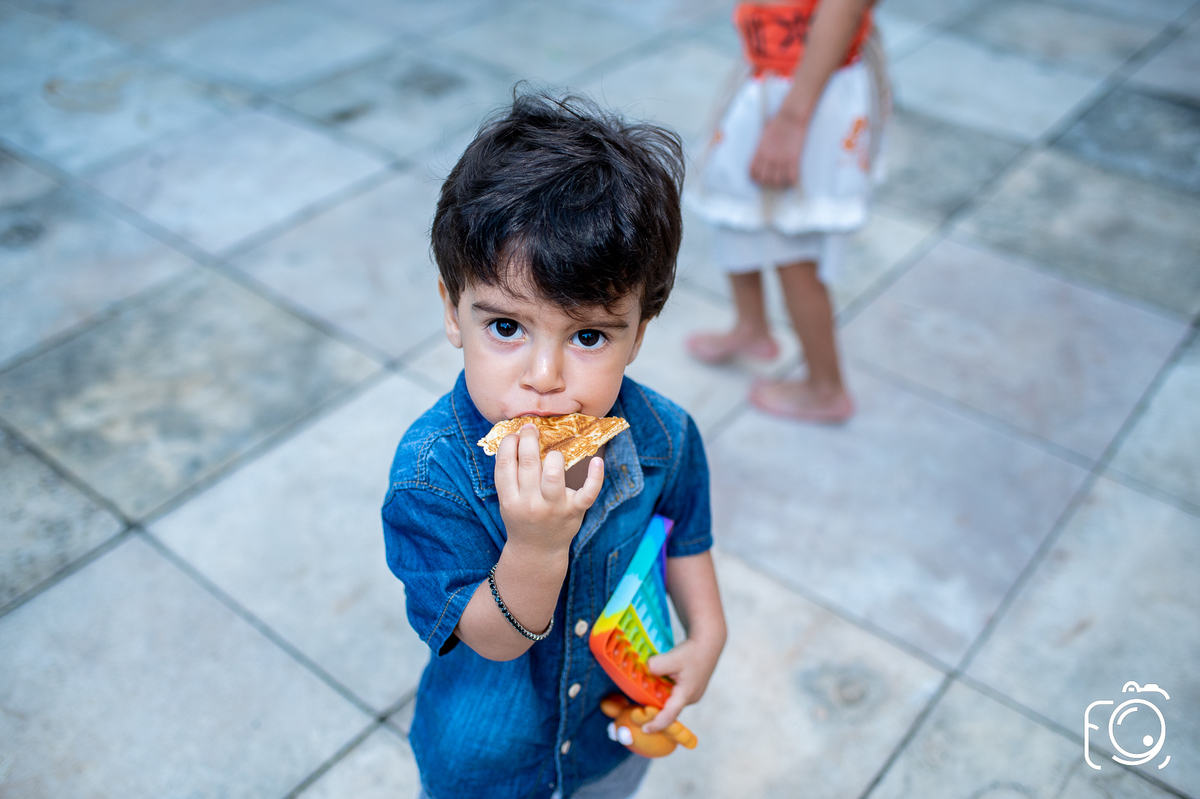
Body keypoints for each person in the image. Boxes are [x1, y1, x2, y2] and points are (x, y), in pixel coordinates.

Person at [382, 92, 727, 799]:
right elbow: (494, 636)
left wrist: (709, 632)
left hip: (608, 740)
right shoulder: (433, 474)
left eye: (589, 335)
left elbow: (684, 534)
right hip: (487, 763)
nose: (544, 379)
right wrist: (536, 547)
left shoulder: (663, 436)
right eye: (507, 327)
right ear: (453, 310)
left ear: (639, 331)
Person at [686, 0, 888, 423]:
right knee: (733, 202)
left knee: (794, 241)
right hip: (772, 72)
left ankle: (825, 387)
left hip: (807, 92)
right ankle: (751, 327)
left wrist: (792, 119)